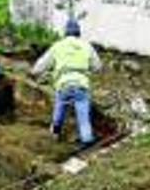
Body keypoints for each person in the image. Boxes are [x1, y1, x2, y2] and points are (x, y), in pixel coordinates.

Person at [32, 18, 102, 148]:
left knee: (59, 108)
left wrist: (35, 72)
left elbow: (39, 66)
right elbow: (98, 67)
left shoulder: (58, 46)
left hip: (63, 84)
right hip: (81, 84)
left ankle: (55, 132)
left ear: (66, 32)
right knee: (83, 116)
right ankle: (87, 140)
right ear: (78, 32)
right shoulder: (86, 46)